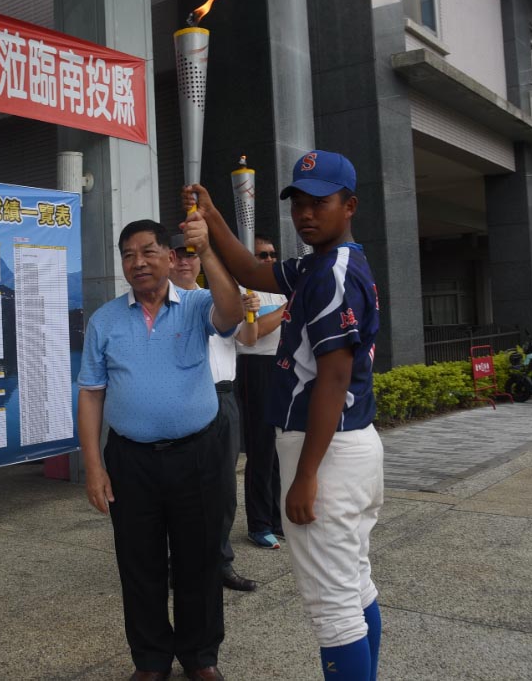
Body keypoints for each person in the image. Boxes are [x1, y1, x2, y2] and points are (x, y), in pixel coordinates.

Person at [184, 150, 385, 680]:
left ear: (350, 206)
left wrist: (306, 476)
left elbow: (333, 379)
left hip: (329, 450)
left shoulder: (332, 274)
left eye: (320, 201)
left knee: (334, 610)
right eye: (298, 201)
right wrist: (213, 216)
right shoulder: (323, 263)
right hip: (349, 444)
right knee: (355, 586)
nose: (306, 213)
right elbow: (252, 268)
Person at [78, 219, 243, 681]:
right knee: (139, 563)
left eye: (148, 251)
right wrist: (94, 466)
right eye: (128, 255)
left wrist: (208, 249)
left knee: (200, 560)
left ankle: (200, 656)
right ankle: (151, 660)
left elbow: (232, 312)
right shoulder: (105, 320)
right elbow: (91, 393)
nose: (138, 263)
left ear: (171, 258)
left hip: (198, 455)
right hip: (131, 461)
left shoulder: (195, 305)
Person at [168, 233, 258, 593]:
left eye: (192, 256)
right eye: (178, 256)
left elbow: (248, 339)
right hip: (186, 398)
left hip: (224, 399)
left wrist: (249, 310)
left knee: (222, 490)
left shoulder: (220, 300)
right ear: (167, 260)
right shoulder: (163, 305)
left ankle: (221, 562)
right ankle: (179, 564)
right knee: (182, 488)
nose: (186, 262)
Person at [234, 234, 288, 550]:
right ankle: (259, 523)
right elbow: (253, 335)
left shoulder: (280, 290)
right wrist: (291, 307)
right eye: (261, 255)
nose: (268, 260)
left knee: (282, 449)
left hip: (282, 367)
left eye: (272, 255)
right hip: (254, 369)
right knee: (261, 449)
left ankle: (278, 518)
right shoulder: (242, 290)